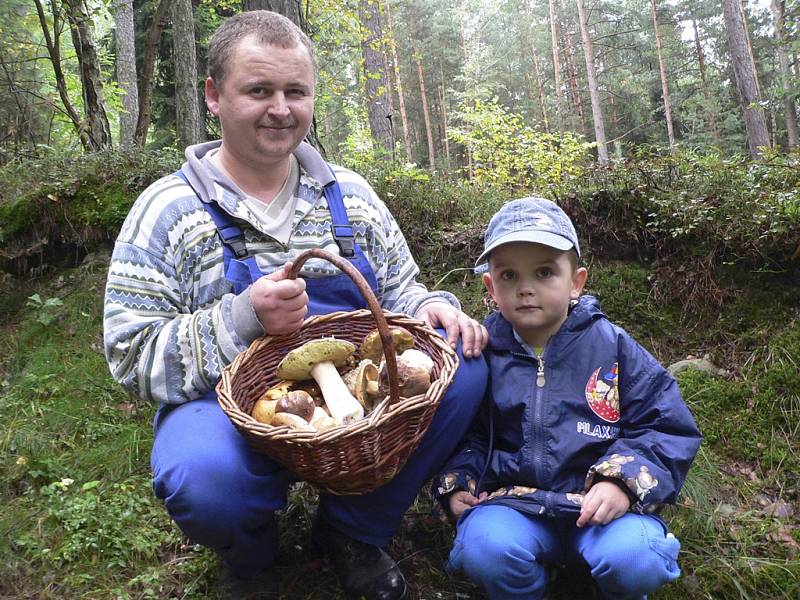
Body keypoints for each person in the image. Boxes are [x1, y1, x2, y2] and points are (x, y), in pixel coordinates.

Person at [102, 10, 488, 600]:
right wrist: (241, 319)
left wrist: (433, 305)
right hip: (227, 413)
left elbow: (402, 291)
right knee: (201, 478)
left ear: (312, 97)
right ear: (214, 95)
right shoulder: (165, 210)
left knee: (465, 364)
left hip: (360, 407)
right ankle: (251, 554)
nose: (280, 108)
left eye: (295, 91)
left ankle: (352, 531)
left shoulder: (351, 195)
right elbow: (131, 356)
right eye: (258, 90)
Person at [433, 198, 702, 599]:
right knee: (483, 549)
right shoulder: (483, 355)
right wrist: (459, 482)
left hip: (602, 512)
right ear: (490, 287)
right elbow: (466, 433)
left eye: (544, 272)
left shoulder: (613, 347)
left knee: (636, 559)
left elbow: (666, 425)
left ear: (576, 281)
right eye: (509, 275)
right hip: (515, 508)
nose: (526, 288)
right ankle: (529, 589)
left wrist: (622, 484)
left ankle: (611, 586)